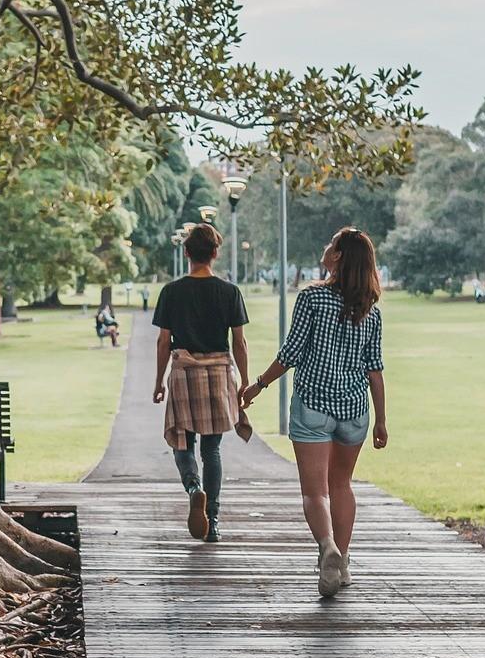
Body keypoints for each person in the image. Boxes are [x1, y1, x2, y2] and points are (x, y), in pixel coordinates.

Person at [242, 227, 388, 598]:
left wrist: (258, 384)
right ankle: (345, 564)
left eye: (332, 243)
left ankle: (327, 548)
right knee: (342, 485)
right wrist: (382, 419)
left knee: (315, 492)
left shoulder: (312, 299)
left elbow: (290, 354)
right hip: (355, 409)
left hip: (313, 406)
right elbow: (375, 369)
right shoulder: (371, 311)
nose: (326, 246)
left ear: (337, 256)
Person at [151, 223, 252, 544]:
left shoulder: (171, 291)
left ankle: (194, 489)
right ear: (215, 253)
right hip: (218, 373)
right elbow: (239, 342)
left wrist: (158, 381)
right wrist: (245, 382)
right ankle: (214, 521)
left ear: (186, 253)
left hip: (184, 374)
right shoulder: (229, 291)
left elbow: (163, 342)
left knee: (181, 442)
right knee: (212, 449)